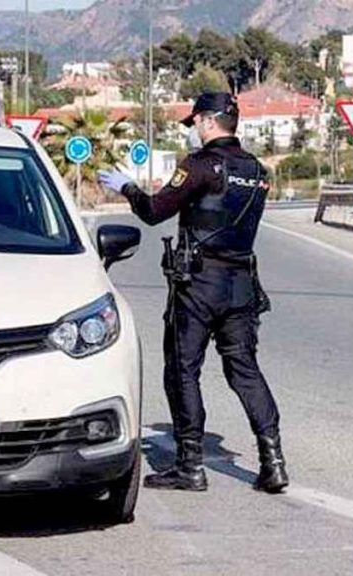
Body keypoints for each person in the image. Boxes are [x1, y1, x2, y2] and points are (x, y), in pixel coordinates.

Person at [97, 92, 289, 494]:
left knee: (183, 369)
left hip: (200, 284)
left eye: (196, 123)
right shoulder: (257, 171)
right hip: (240, 285)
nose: (194, 131)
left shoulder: (201, 166)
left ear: (207, 121)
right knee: (244, 370)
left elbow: (153, 211)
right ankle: (273, 461)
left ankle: (190, 466)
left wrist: (127, 188)